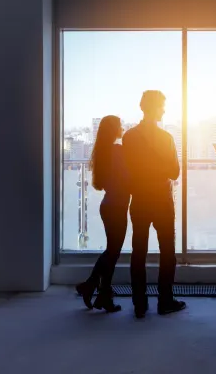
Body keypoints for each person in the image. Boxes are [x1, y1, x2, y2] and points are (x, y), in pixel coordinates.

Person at [123, 90, 186, 318]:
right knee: (167, 251)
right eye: (162, 106)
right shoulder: (165, 138)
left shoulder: (129, 137)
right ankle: (165, 301)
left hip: (139, 199)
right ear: (155, 107)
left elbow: (126, 171)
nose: (164, 110)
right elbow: (175, 171)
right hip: (161, 199)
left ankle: (140, 304)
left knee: (138, 251)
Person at [75, 115, 130, 313]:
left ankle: (100, 293)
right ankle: (94, 288)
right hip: (116, 207)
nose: (123, 128)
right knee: (112, 252)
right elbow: (127, 178)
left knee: (111, 251)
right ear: (114, 129)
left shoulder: (103, 151)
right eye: (120, 125)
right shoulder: (117, 151)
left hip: (109, 205)